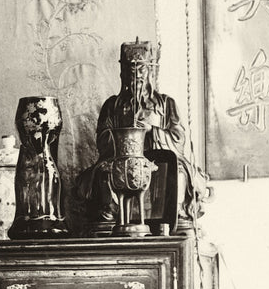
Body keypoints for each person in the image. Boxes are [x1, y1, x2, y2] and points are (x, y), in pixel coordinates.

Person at [87, 39, 206, 235]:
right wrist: (123, 137)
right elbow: (102, 139)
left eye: (141, 70)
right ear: (122, 74)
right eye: (130, 71)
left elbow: (178, 137)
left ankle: (173, 217)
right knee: (103, 175)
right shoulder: (112, 106)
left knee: (180, 174)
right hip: (120, 160)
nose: (136, 76)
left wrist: (152, 131)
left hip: (159, 162)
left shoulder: (166, 104)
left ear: (151, 72)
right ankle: (110, 218)